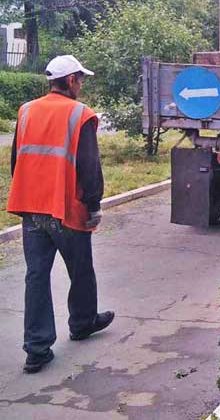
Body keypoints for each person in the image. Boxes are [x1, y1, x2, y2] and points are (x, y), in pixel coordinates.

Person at [7, 55, 114, 374]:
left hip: (32, 210)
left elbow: (16, 160)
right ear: (69, 81)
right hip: (65, 208)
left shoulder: (26, 110)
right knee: (81, 268)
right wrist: (94, 205)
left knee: (36, 276)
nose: (81, 84)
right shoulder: (80, 115)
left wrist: (28, 198)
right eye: (80, 79)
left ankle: (36, 349)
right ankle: (82, 322)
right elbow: (89, 167)